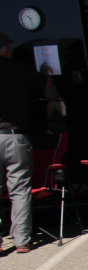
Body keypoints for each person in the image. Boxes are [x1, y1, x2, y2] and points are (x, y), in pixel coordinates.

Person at [0, 32, 46, 253]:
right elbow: (43, 84)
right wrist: (46, 72)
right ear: (5, 49)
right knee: (19, 190)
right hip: (14, 137)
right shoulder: (17, 69)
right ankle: (22, 241)